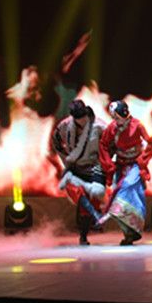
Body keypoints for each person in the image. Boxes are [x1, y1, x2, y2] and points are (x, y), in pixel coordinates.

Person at [98, 100, 152, 245]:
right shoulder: (112, 128)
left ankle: (133, 224)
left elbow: (151, 141)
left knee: (128, 187)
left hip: (135, 165)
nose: (116, 120)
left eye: (117, 117)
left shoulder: (137, 125)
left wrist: (143, 159)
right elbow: (103, 144)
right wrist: (109, 164)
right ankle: (129, 234)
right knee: (120, 195)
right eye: (114, 117)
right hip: (121, 165)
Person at [50, 99, 106, 245]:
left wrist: (104, 161)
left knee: (93, 200)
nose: (82, 120)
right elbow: (56, 141)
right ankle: (84, 234)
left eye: (83, 116)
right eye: (78, 117)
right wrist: (66, 159)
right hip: (75, 168)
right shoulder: (65, 125)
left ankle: (86, 232)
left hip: (93, 167)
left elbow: (109, 144)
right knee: (80, 197)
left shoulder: (99, 126)